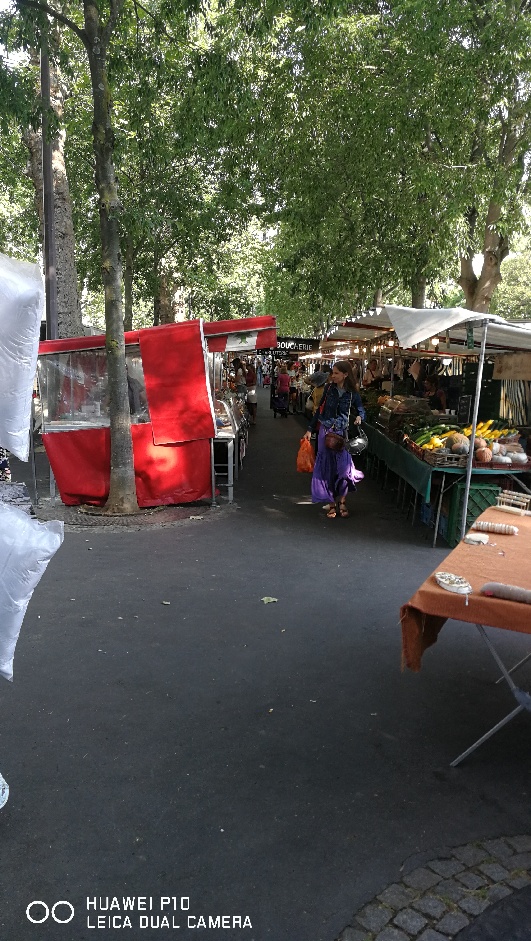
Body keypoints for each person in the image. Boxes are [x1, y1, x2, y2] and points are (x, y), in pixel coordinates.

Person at [303, 361, 365, 518]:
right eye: (333, 372)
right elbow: (319, 411)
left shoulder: (352, 393)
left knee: (343, 469)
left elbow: (360, 409)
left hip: (342, 433)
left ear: (345, 374)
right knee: (327, 469)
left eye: (336, 373)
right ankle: (331, 503)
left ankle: (342, 502)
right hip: (325, 431)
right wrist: (310, 429)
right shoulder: (328, 389)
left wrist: (359, 416)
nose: (333, 375)